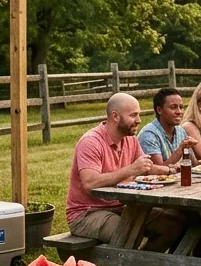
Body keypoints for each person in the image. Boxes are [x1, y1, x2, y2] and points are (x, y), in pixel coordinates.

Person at [66, 93, 185, 249]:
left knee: (174, 222)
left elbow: (146, 168)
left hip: (123, 206)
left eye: (139, 115)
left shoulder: (130, 139)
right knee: (129, 232)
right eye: (134, 115)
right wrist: (131, 169)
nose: (139, 120)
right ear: (115, 116)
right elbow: (90, 182)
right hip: (87, 213)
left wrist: (170, 170)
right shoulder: (91, 142)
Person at [138, 87, 198, 169]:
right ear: (159, 110)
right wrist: (180, 149)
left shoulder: (181, 131)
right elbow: (158, 171)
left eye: (181, 107)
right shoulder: (149, 134)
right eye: (173, 107)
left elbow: (193, 164)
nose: (179, 112)